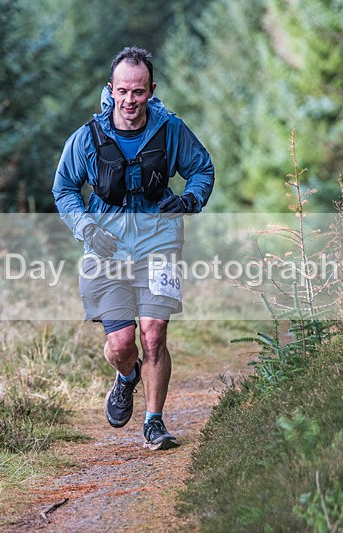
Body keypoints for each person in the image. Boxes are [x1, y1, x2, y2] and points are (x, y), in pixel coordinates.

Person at [52, 46, 214, 450]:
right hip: (104, 249)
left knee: (154, 334)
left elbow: (202, 169)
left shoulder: (171, 130)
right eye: (122, 91)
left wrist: (191, 198)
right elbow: (65, 189)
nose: (130, 100)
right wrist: (86, 227)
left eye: (138, 92)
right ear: (111, 89)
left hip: (158, 242)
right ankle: (126, 377)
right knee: (123, 346)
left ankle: (154, 421)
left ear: (151, 90)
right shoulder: (87, 138)